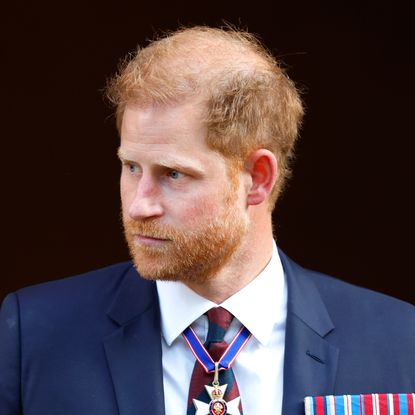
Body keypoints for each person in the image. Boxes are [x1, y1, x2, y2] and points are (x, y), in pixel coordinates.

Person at [1, 26, 414, 415]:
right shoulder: (33, 335)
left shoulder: (400, 340)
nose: (138, 206)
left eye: (173, 174)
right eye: (131, 167)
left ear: (257, 179)